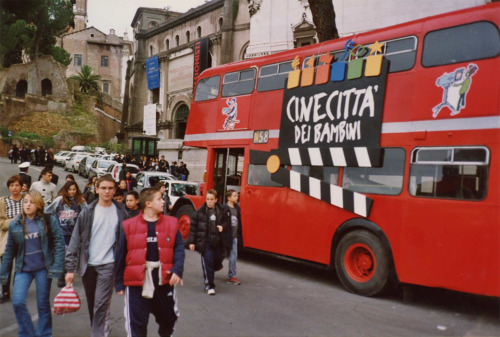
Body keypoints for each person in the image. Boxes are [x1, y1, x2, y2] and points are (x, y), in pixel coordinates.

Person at [115, 188, 185, 337]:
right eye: (159, 199)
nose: (163, 201)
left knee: (169, 318)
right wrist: (119, 281)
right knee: (137, 323)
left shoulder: (172, 223)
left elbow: (179, 249)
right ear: (148, 204)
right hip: (137, 282)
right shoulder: (129, 225)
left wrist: (177, 269)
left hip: (163, 279)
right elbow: (121, 254)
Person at [65, 175, 129, 337]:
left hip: (109, 264)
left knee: (100, 304)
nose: (107, 191)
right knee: (94, 303)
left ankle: (99, 333)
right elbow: (75, 240)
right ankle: (101, 328)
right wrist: (70, 268)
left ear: (115, 190)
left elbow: (128, 239)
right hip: (88, 265)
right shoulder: (87, 211)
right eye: (103, 188)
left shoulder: (121, 212)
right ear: (97, 189)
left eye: (110, 188)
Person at [0, 191, 65, 337]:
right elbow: (9, 250)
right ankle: (27, 333)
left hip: (43, 269)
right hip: (23, 269)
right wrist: (3, 273)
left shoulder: (48, 220)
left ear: (39, 204)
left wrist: (58, 267)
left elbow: (59, 242)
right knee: (17, 302)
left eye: (31, 202)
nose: (27, 205)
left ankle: (44, 333)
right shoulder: (15, 224)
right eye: (25, 202)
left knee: (42, 305)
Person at [45, 181, 87, 287]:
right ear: (66, 190)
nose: (72, 192)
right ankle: (61, 276)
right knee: (62, 254)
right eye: (70, 189)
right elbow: (47, 211)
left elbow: (87, 213)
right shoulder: (59, 200)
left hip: (74, 233)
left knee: (71, 254)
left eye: (74, 189)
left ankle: (69, 272)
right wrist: (53, 223)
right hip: (61, 232)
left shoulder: (80, 201)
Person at [188, 189, 228, 295]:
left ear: (216, 200)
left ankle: (211, 271)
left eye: (211, 199)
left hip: (218, 242)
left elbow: (226, 222)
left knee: (217, 260)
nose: (209, 201)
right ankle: (209, 285)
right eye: (207, 199)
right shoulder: (200, 212)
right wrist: (191, 242)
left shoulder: (221, 210)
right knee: (208, 263)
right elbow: (193, 227)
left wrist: (222, 227)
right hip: (206, 242)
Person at [0, 175, 24, 303]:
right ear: (8, 188)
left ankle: (19, 291)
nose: (14, 188)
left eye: (17, 185)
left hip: (24, 238)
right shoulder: (3, 201)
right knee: (6, 266)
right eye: (12, 186)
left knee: (21, 266)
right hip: (7, 239)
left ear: (21, 187)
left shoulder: (26, 200)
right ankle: (5, 292)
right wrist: (13, 222)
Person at [223, 190, 242, 285]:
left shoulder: (237, 208)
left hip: (234, 237)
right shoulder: (224, 208)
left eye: (237, 195)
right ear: (229, 198)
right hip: (225, 237)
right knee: (220, 255)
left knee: (233, 256)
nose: (236, 197)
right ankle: (210, 269)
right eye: (234, 196)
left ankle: (232, 276)